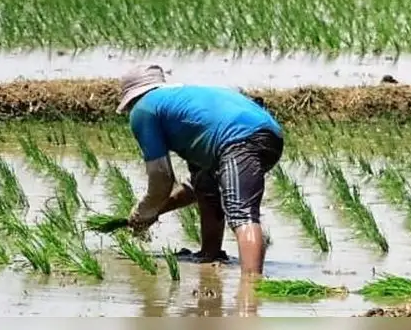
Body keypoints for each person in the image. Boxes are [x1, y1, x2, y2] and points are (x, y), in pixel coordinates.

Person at [115, 64, 284, 277]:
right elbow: (193, 189)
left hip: (238, 139)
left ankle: (251, 288)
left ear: (132, 98)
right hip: (270, 134)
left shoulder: (143, 108)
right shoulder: (184, 107)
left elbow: (161, 179)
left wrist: (143, 212)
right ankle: (210, 253)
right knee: (206, 187)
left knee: (241, 213)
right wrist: (154, 213)